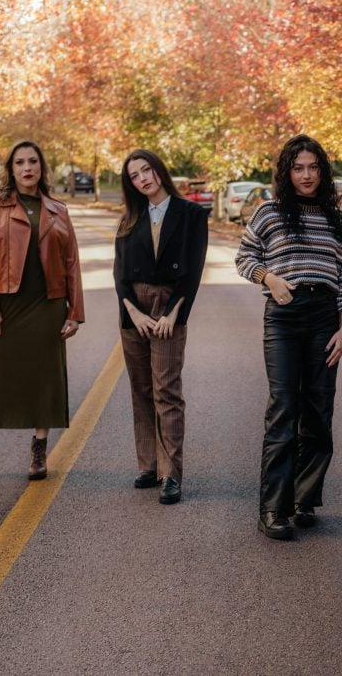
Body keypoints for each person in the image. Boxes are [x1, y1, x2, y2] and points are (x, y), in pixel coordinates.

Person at [235, 134, 342, 540]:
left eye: (313, 167)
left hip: (325, 319)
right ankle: (273, 508)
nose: (306, 175)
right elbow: (244, 257)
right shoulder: (269, 213)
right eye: (298, 168)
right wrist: (268, 276)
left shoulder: (337, 220)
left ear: (322, 171)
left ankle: (304, 499)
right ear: (288, 172)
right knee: (284, 410)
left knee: (319, 414)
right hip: (284, 319)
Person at [0, 141, 84, 482]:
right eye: (20, 162)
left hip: (47, 305)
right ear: (10, 169)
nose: (27, 168)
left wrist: (74, 312)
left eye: (33, 161)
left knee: (44, 378)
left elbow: (71, 263)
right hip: (5, 306)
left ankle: (39, 451)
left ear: (42, 167)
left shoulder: (57, 209)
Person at [114, 149, 209, 505]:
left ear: (158, 170)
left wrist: (173, 314)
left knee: (165, 390)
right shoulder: (128, 219)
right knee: (140, 389)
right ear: (132, 183)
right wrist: (133, 313)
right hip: (133, 311)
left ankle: (171, 475)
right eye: (135, 175)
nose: (143, 178)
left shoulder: (191, 214)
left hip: (171, 306)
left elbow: (194, 271)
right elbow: (119, 275)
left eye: (146, 169)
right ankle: (148, 465)